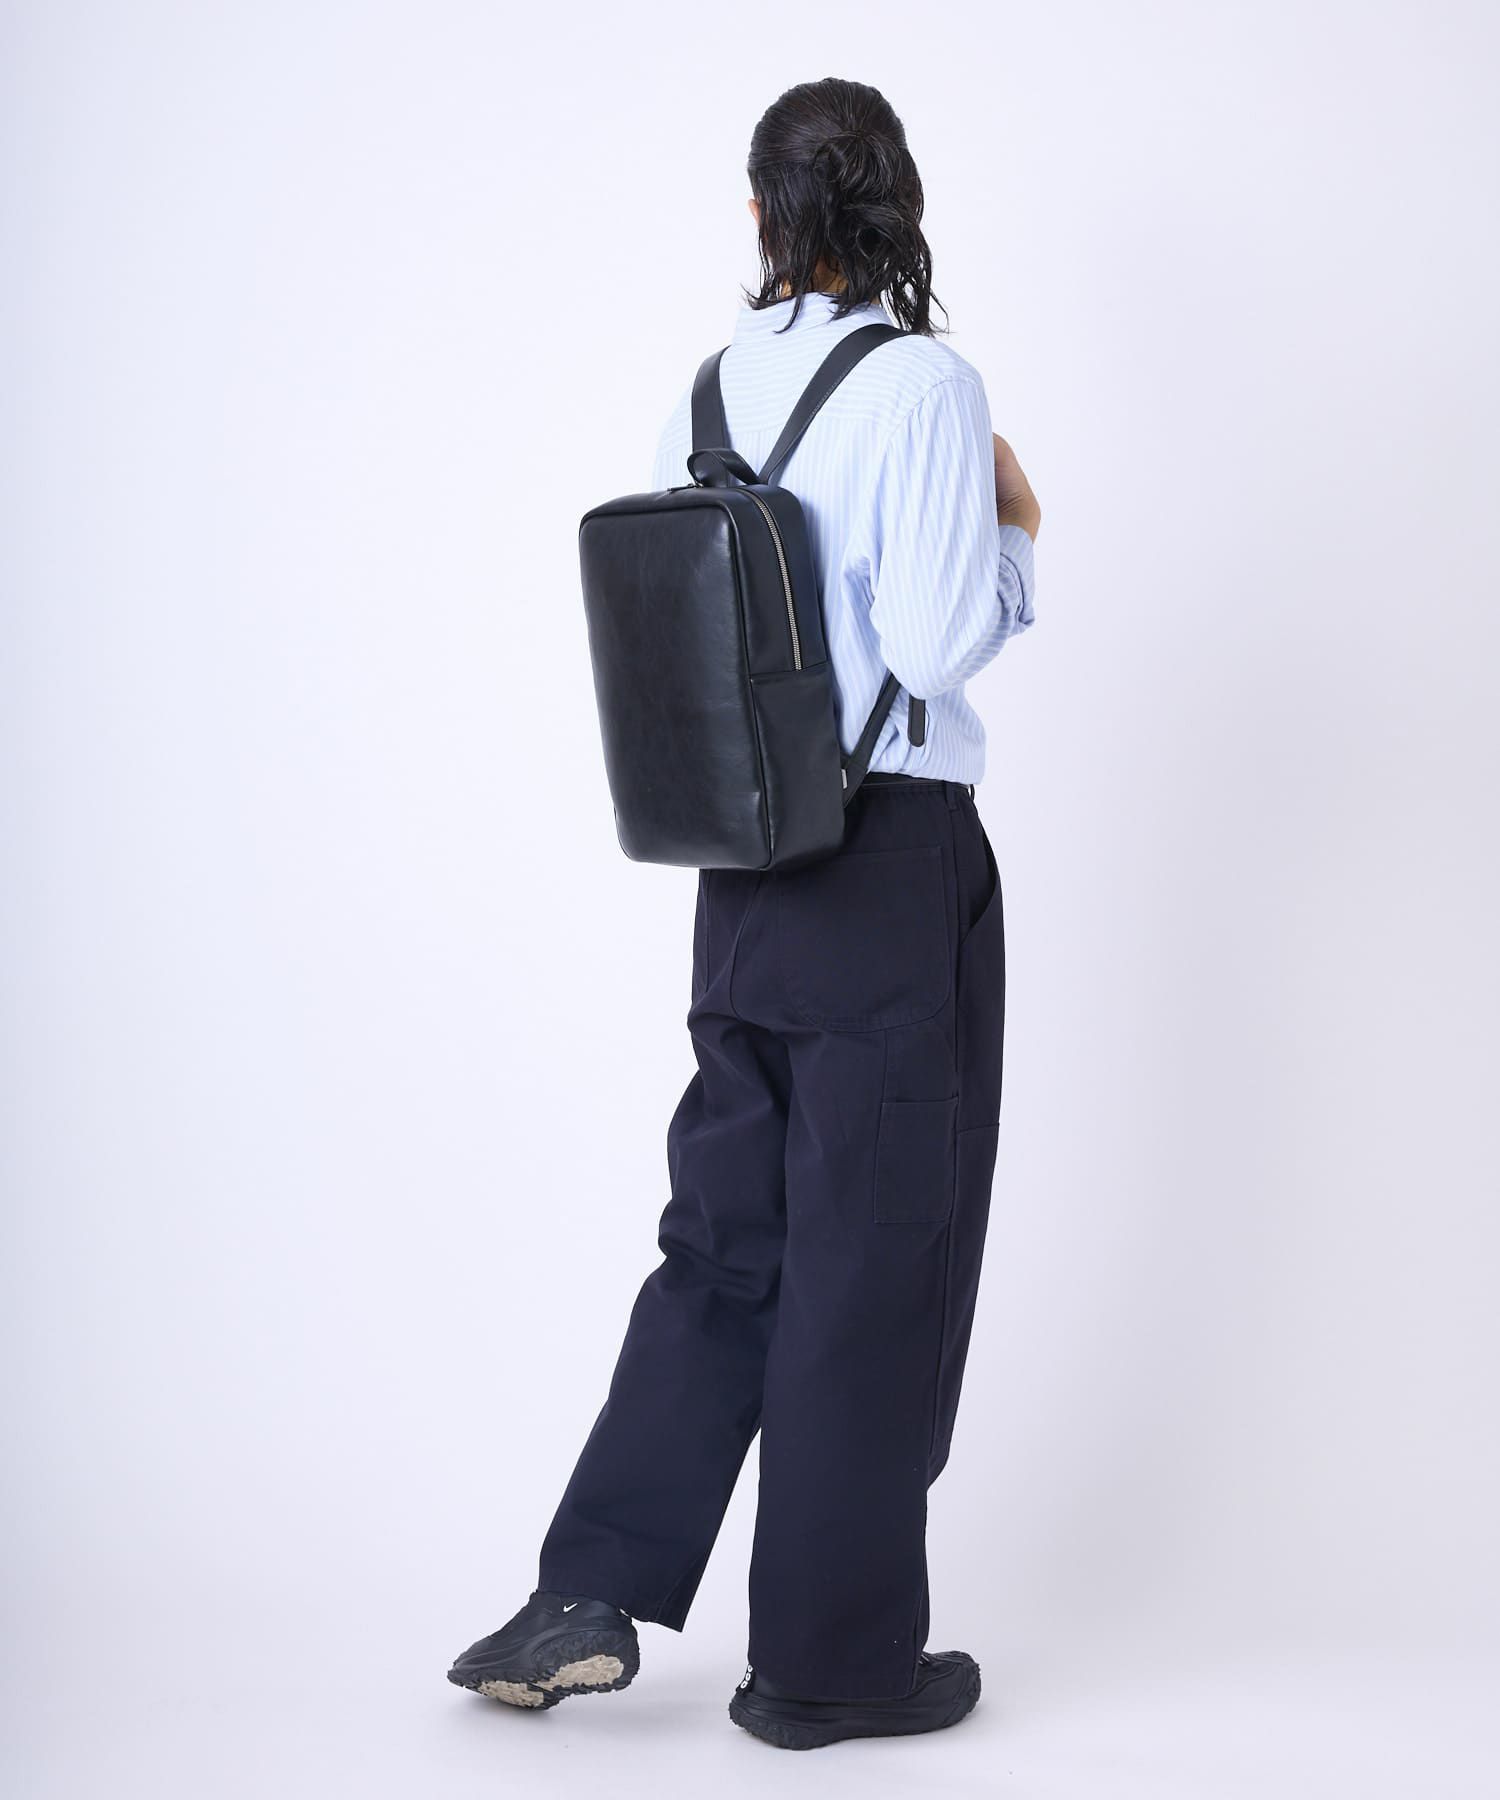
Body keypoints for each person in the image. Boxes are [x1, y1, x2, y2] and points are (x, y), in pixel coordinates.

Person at [448, 76, 1040, 1752]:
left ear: (762, 216)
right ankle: (831, 1667)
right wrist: (1014, 527)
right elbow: (934, 644)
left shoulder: (707, 391)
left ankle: (587, 1586)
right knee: (870, 1258)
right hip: (888, 864)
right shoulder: (927, 386)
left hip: (739, 874)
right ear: (896, 206)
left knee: (723, 1243)